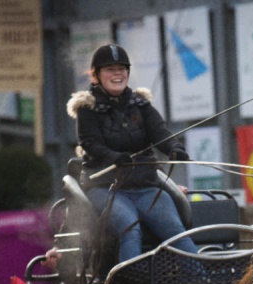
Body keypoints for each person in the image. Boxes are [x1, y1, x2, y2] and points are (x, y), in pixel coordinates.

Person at [66, 43, 198, 263]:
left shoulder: (141, 104)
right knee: (130, 228)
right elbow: (90, 143)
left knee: (176, 230)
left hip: (146, 187)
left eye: (122, 69)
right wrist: (113, 157)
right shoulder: (87, 108)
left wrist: (175, 148)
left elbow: (161, 133)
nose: (117, 74)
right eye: (110, 69)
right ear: (96, 75)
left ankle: (203, 280)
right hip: (105, 188)